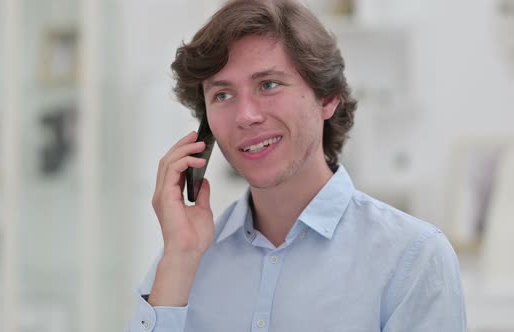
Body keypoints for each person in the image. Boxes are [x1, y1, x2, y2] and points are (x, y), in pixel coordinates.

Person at [126, 0, 466, 331]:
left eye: (269, 85)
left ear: (328, 98)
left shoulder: (413, 258)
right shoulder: (181, 260)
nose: (246, 116)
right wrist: (180, 261)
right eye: (223, 95)